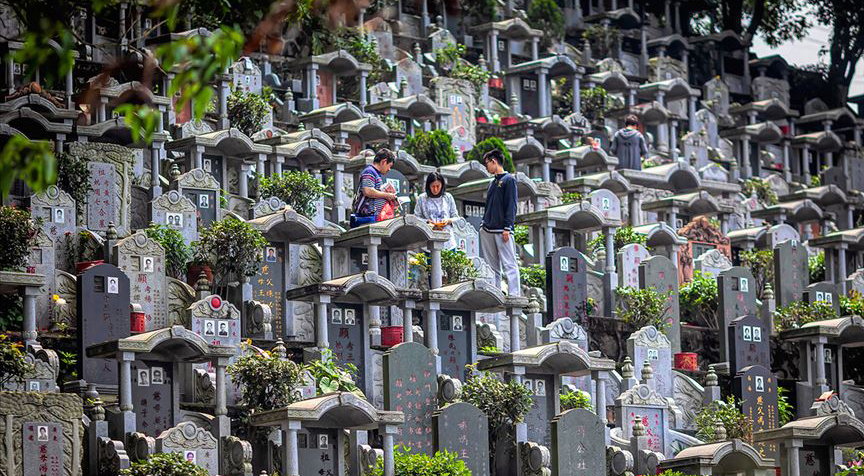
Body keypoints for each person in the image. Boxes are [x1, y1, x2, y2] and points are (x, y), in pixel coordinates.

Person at [479, 149, 521, 296]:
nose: (486, 167)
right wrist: (483, 224)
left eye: (487, 164)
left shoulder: (509, 180)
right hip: (487, 229)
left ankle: (514, 294)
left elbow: (511, 205)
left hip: (502, 230)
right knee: (491, 265)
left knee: (509, 263)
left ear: (494, 161)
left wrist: (508, 227)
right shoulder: (492, 183)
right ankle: (495, 293)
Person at [351, 148, 398, 227]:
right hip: (367, 217)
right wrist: (387, 195)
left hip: (374, 217)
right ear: (383, 162)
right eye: (389, 166)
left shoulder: (376, 174)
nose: (389, 169)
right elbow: (368, 191)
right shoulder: (369, 171)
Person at [414, 172, 460, 248]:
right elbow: (416, 218)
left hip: (447, 240)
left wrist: (448, 220)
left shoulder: (448, 197)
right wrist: (427, 222)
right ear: (428, 186)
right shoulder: (422, 198)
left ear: (442, 185)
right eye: (433, 186)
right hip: (428, 240)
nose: (435, 189)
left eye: (438, 186)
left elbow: (456, 217)